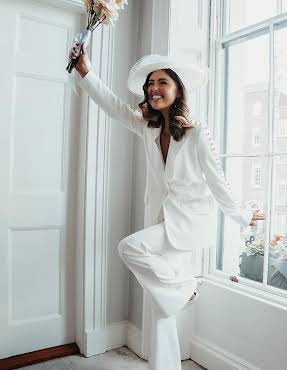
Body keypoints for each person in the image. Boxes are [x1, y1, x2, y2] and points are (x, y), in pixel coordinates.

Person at [70, 43, 265, 370]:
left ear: (177, 89)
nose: (154, 89)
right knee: (161, 306)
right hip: (161, 218)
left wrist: (242, 215)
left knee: (129, 248)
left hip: (186, 224)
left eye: (162, 82)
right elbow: (114, 106)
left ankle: (187, 287)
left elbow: (218, 181)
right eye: (150, 84)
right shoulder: (148, 127)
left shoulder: (197, 134)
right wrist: (85, 72)